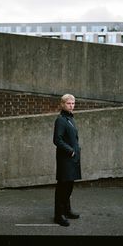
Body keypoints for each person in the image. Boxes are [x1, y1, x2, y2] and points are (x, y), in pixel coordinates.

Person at [53, 94, 81, 226]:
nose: (71, 105)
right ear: (62, 104)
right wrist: (70, 150)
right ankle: (59, 215)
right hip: (65, 159)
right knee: (62, 188)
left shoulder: (70, 118)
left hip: (72, 159)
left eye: (73, 103)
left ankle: (67, 211)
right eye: (69, 103)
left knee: (69, 186)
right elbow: (57, 140)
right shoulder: (61, 120)